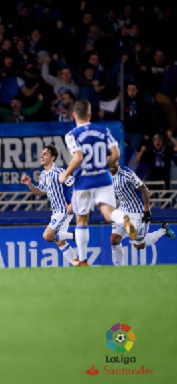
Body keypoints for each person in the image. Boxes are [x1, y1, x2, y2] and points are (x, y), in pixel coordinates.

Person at [59, 99, 136, 266]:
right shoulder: (103, 130)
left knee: (81, 220)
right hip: (103, 179)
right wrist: (103, 167)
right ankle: (124, 218)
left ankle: (83, 261)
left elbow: (78, 157)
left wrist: (65, 173)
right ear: (90, 115)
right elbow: (115, 154)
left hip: (83, 182)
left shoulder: (72, 135)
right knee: (109, 213)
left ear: (73, 115)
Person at [108, 159, 174, 266]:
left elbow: (144, 190)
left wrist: (147, 212)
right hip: (123, 211)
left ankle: (163, 230)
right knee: (114, 238)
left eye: (113, 161)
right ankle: (119, 269)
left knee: (138, 245)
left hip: (136, 212)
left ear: (117, 161)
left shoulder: (126, 174)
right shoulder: (106, 175)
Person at [22, 145, 78, 266]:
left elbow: (76, 184)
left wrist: (73, 204)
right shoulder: (43, 174)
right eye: (41, 153)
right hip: (56, 212)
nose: (41, 156)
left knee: (47, 236)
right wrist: (30, 185)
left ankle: (75, 235)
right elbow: (41, 192)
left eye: (45, 154)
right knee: (60, 241)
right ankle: (78, 265)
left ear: (53, 157)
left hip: (64, 210)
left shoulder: (59, 172)